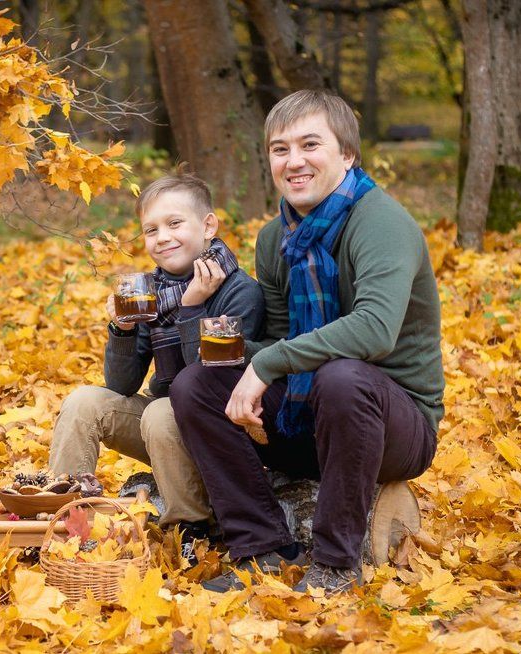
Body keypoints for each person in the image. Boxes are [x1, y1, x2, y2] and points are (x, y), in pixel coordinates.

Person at [170, 89, 444, 593]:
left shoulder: (381, 223)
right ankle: (263, 548)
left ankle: (336, 564)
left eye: (310, 145)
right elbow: (281, 340)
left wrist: (268, 362)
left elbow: (375, 330)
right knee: (196, 385)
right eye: (280, 149)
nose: (294, 161)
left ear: (347, 154)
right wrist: (222, 343)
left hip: (394, 428)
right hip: (307, 418)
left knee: (342, 377)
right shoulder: (275, 237)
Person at [48, 169, 265, 562]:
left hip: (220, 426)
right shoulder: (153, 294)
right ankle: (66, 517)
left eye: (174, 223)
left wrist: (192, 307)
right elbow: (121, 384)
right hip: (163, 430)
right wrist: (123, 328)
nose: (162, 237)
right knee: (84, 402)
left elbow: (210, 376)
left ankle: (191, 528)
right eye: (151, 230)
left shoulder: (240, 291)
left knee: (163, 410)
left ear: (208, 226)